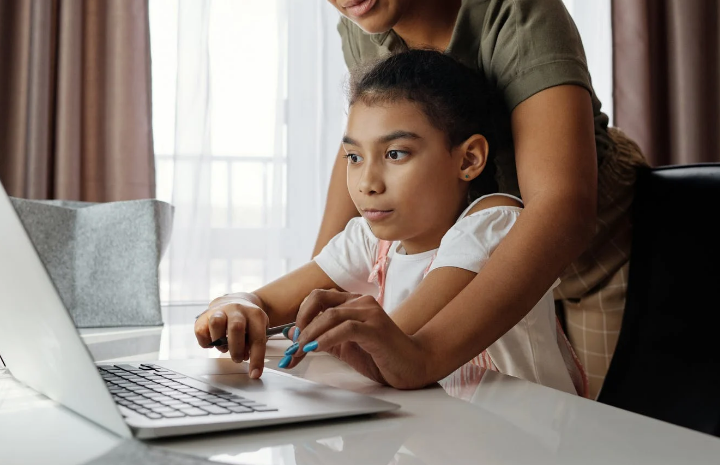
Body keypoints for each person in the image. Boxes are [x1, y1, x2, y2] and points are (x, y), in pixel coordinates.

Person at [263, 0, 648, 396]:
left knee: (603, 438)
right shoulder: (364, 24)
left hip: (588, 250)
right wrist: (312, 302)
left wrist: (425, 354)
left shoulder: (519, 12)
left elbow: (561, 207)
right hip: (472, 250)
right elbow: (361, 153)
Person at [194, 50, 585, 396]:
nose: (367, 183)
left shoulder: (493, 224)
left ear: (468, 160)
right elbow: (265, 301)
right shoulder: (373, 240)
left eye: (396, 154)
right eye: (354, 157)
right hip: (442, 434)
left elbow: (397, 346)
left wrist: (321, 329)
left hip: (523, 441)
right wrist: (235, 307)